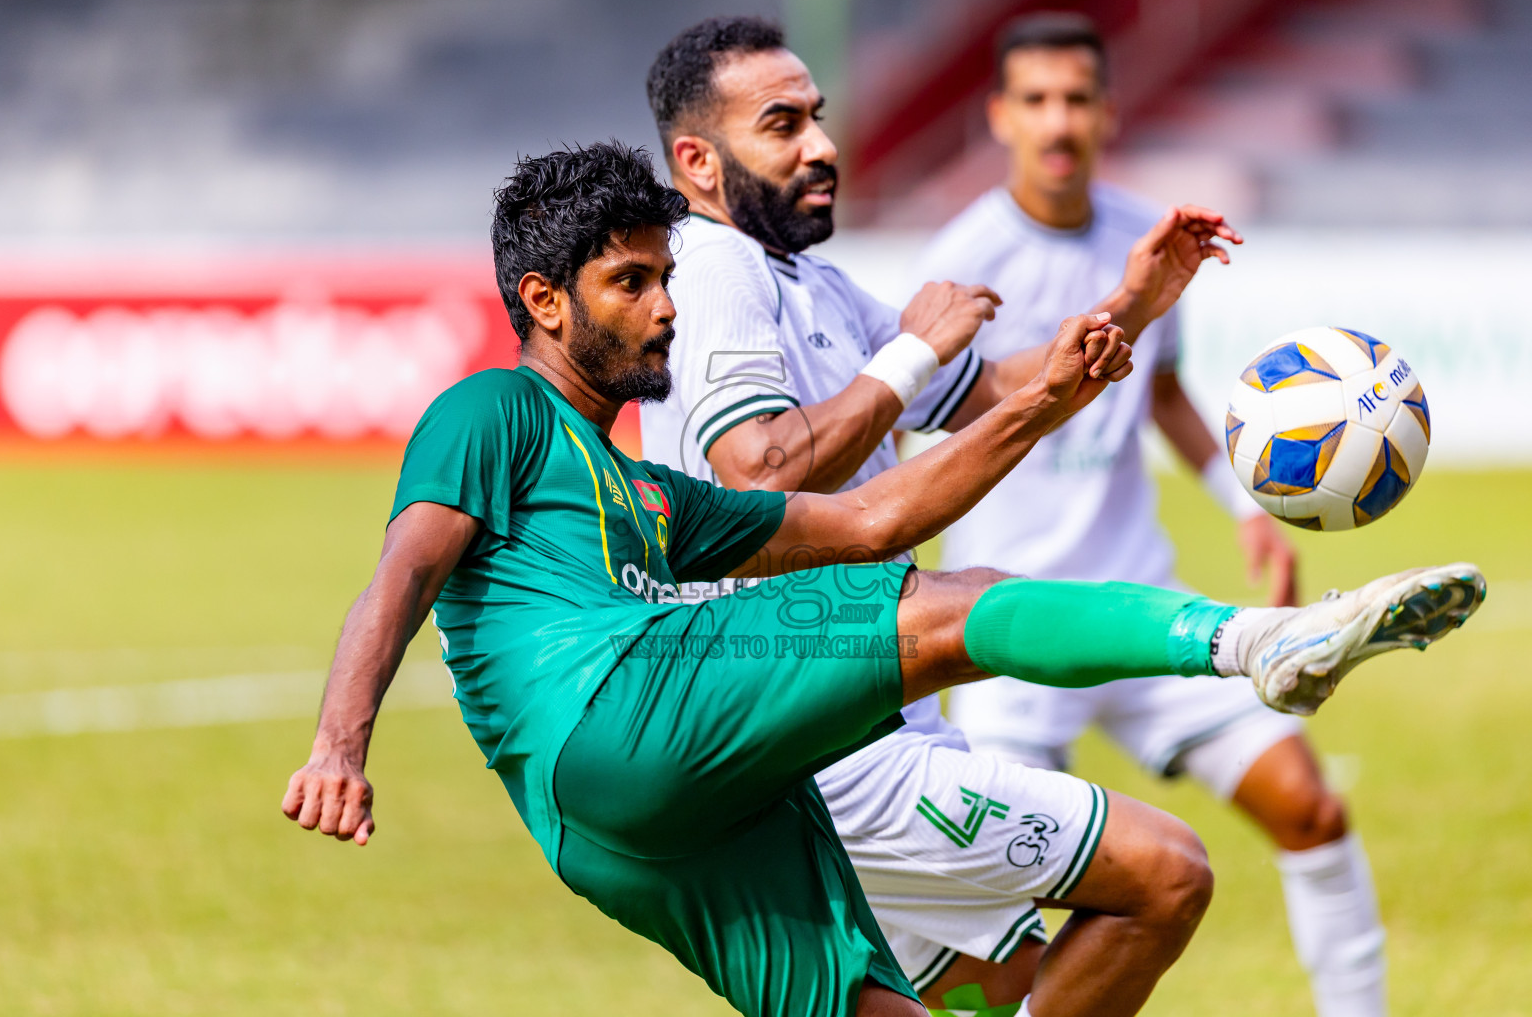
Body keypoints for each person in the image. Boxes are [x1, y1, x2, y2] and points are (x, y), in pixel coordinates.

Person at [281, 141, 1483, 1017]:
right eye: (630, 285)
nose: (665, 308)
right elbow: (405, 567)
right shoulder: (493, 409)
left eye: (665, 277)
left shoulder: (647, 493)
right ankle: (1250, 645)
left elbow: (868, 519)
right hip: (617, 715)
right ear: (541, 302)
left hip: (618, 829)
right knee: (951, 605)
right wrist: (341, 744)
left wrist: (1056, 396)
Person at [639, 16, 1250, 1015]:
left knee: (999, 976)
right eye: (782, 124)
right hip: (818, 729)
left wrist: (1134, 302)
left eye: (818, 119)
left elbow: (988, 390)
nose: (822, 145)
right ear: (698, 162)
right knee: (1165, 876)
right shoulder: (715, 269)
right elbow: (757, 472)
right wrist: (909, 355)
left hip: (849, 714)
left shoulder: (809, 279)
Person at [920, 14, 1390, 1017]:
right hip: (1009, 629)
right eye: (1037, 100)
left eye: (1077, 99)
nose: (1059, 121)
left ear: (1107, 112)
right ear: (1000, 116)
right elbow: (938, 425)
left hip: (1142, 599)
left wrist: (1243, 503)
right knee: (1000, 917)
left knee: (1310, 809)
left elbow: (1163, 394)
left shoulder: (1147, 236)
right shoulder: (964, 265)